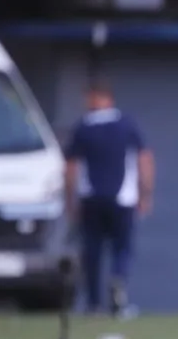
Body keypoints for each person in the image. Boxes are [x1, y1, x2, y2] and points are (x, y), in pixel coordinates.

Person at [63, 83, 153, 317]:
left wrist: (70, 201)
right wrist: (145, 194)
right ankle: (118, 282)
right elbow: (144, 160)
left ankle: (93, 303)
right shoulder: (127, 125)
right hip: (123, 198)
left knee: (92, 250)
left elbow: (71, 168)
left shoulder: (83, 128)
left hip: (91, 197)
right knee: (122, 247)